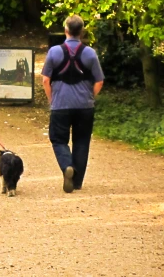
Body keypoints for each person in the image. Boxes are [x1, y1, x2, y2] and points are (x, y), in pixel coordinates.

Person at [41, 15, 105, 193]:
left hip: (60, 104)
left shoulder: (54, 52)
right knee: (82, 141)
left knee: (58, 139)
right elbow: (99, 81)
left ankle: (67, 166)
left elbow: (46, 79)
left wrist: (51, 99)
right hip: (85, 106)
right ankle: (76, 182)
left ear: (66, 31)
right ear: (82, 32)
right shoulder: (90, 53)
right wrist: (89, 97)